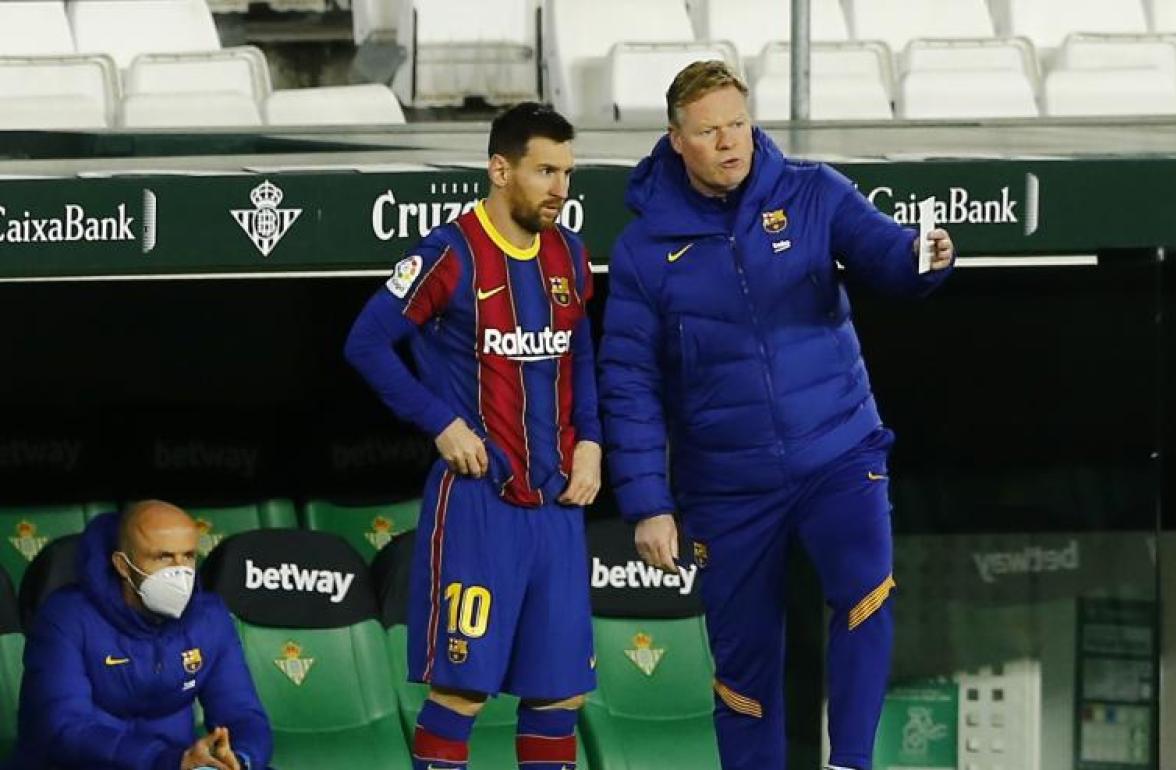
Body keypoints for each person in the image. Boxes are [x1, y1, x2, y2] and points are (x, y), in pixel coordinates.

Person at [597, 61, 955, 770]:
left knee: (865, 595)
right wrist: (647, 503)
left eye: (737, 123)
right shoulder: (643, 251)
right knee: (743, 666)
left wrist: (926, 258)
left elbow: (887, 253)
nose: (729, 141)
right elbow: (628, 381)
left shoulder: (814, 191)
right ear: (677, 140)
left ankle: (852, 761)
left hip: (839, 450)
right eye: (709, 131)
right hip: (727, 487)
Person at [344, 101, 600, 770]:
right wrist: (441, 422)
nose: (559, 189)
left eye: (568, 173)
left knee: (559, 695)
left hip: (559, 507)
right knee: (462, 689)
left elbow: (580, 358)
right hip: (480, 505)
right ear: (499, 168)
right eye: (545, 171)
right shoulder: (451, 253)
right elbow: (366, 342)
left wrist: (593, 444)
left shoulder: (568, 253)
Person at [9, 500, 272, 770]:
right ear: (123, 565)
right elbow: (63, 729)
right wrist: (170, 761)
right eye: (163, 557)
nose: (180, 571)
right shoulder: (65, 617)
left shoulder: (210, 616)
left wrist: (239, 759)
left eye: (189, 555)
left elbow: (242, 714)